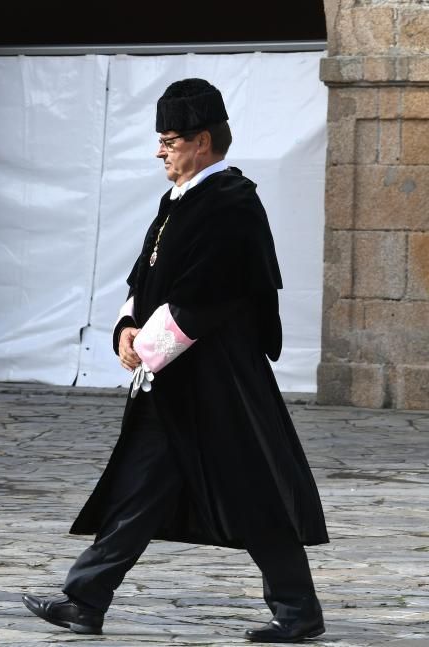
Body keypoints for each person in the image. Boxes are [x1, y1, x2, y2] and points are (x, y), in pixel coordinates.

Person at [21, 79, 329, 643]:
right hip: (173, 380)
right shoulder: (176, 201)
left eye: (169, 141)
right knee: (139, 489)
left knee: (253, 488)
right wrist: (125, 326)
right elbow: (146, 277)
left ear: (202, 140)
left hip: (219, 379)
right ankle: (85, 599)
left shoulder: (231, 202)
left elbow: (207, 293)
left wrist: (148, 348)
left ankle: (298, 609)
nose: (160, 151)